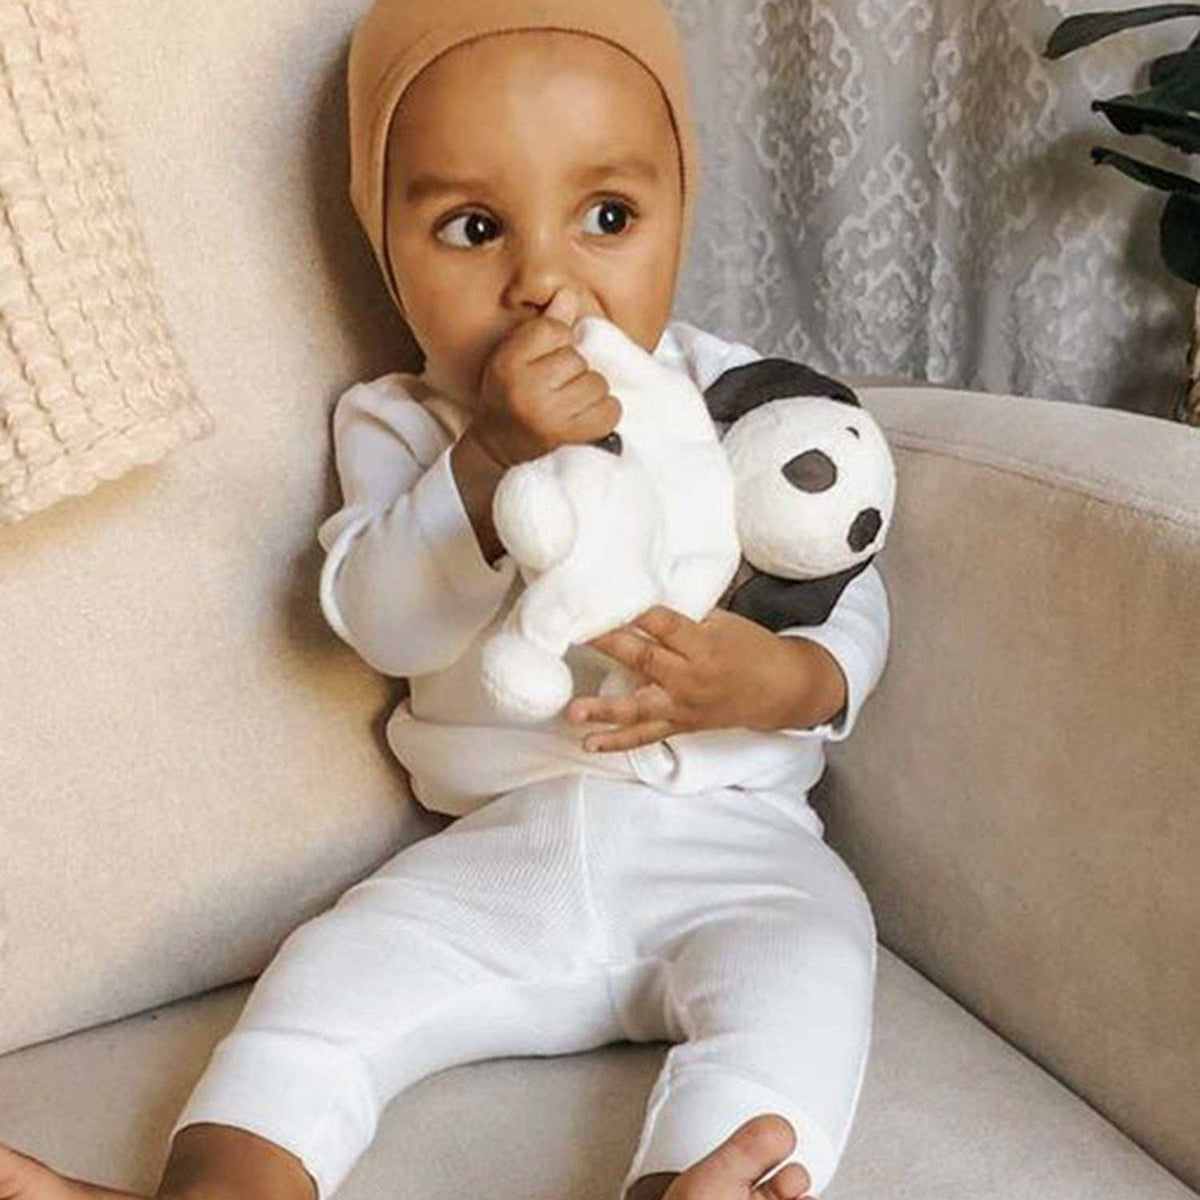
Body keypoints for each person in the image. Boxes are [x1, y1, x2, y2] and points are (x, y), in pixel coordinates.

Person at [0, 1, 890, 1199]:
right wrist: (486, 464)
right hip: (490, 862)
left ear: (683, 209)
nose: (544, 282)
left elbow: (842, 580)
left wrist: (791, 681)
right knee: (321, 987)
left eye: (609, 218)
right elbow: (379, 617)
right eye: (474, 228)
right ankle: (223, 1185)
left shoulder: (742, 401)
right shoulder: (400, 425)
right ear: (384, 253)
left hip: (737, 849)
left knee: (815, 964)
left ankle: (707, 1175)